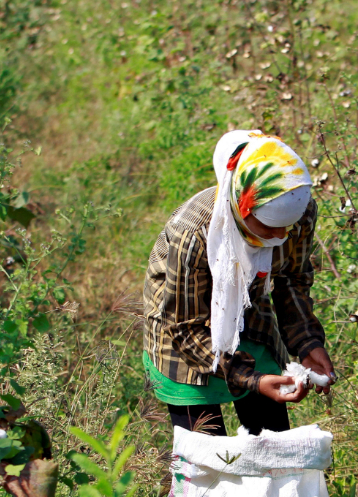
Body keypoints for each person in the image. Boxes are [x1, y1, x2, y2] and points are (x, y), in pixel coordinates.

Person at [143, 130, 335, 436]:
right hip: (184, 339)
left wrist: (307, 341)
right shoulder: (193, 233)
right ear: (240, 208)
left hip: (250, 319)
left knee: (273, 450)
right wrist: (253, 380)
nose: (279, 237)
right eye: (269, 228)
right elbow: (183, 325)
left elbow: (291, 279)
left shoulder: (297, 212)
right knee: (207, 465)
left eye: (287, 228)